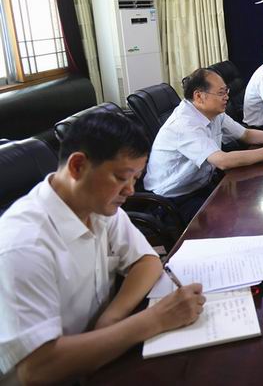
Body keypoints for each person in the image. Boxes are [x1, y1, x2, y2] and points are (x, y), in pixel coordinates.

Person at [0, 112, 205, 386]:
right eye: (122, 177)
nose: (130, 190)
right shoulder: (23, 245)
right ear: (77, 166)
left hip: (100, 355)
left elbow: (147, 261)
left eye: (136, 178)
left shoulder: (99, 206)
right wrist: (155, 320)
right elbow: (36, 369)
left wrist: (111, 319)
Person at [145, 68, 263, 221]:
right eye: (221, 93)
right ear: (199, 96)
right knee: (232, 219)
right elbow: (222, 161)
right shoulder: (184, 124)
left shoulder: (213, 112)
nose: (227, 97)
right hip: (174, 199)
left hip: (200, 185)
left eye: (226, 91)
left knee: (250, 201)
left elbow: (246, 134)